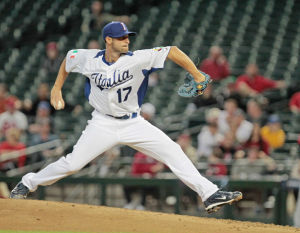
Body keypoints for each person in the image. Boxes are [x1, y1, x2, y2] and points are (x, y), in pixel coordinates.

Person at [10, 21, 242, 213]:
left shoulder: (138, 58)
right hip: (102, 123)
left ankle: (210, 193)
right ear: (108, 40)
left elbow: (172, 50)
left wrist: (196, 73)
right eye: (121, 37)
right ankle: (27, 183)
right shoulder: (88, 59)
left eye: (127, 36)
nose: (127, 40)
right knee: (72, 164)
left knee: (173, 151)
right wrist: (56, 88)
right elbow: (68, 60)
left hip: (134, 122)